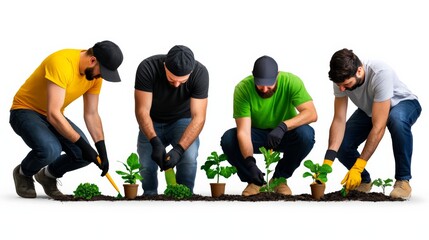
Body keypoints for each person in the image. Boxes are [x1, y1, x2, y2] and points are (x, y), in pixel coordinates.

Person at [10, 40, 124, 199]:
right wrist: (85, 146)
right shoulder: (61, 63)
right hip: (25, 110)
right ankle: (23, 172)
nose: (101, 76)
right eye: (102, 72)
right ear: (92, 60)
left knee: (84, 156)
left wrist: (101, 150)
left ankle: (48, 176)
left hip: (53, 114)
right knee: (51, 150)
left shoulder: (95, 76)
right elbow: (53, 114)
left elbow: (91, 114)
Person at [322, 48, 421, 200]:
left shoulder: (380, 73)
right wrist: (328, 161)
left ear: (359, 71)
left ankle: (403, 180)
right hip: (371, 108)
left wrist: (359, 164)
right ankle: (363, 180)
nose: (342, 88)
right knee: (343, 143)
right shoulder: (341, 81)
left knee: (396, 121)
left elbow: (379, 126)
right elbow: (339, 119)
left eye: (346, 84)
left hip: (402, 103)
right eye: (339, 85)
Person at [220, 55, 317, 196]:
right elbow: (244, 133)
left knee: (306, 134)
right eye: (260, 84)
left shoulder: (291, 82)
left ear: (277, 75)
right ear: (253, 77)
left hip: (284, 134)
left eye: (269, 84)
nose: (265, 89)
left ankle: (279, 179)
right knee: (229, 139)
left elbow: (311, 114)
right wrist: (250, 163)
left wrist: (283, 126)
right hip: (257, 136)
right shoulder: (242, 89)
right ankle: (255, 181)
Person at [134, 45, 209, 195]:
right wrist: (155, 141)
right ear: (164, 66)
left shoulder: (200, 73)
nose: (176, 85)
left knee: (188, 157)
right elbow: (142, 111)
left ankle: (185, 195)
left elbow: (199, 117)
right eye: (171, 79)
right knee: (146, 164)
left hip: (183, 119)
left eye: (182, 82)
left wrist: (179, 150)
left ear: (191, 72)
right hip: (151, 120)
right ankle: (149, 195)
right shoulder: (147, 68)